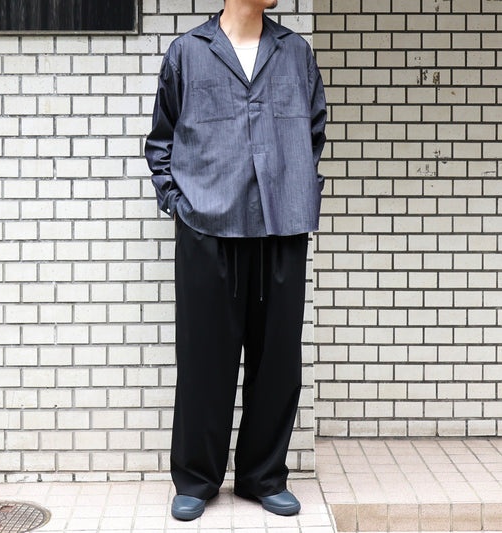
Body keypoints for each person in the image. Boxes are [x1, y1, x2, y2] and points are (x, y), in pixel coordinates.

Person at [144, 0, 326, 521]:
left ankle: (262, 476)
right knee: (204, 359)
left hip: (281, 223)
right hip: (208, 226)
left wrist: (299, 185)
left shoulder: (295, 53)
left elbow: (314, 130)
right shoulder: (187, 52)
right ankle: (196, 479)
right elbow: (162, 139)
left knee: (277, 360)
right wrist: (178, 202)